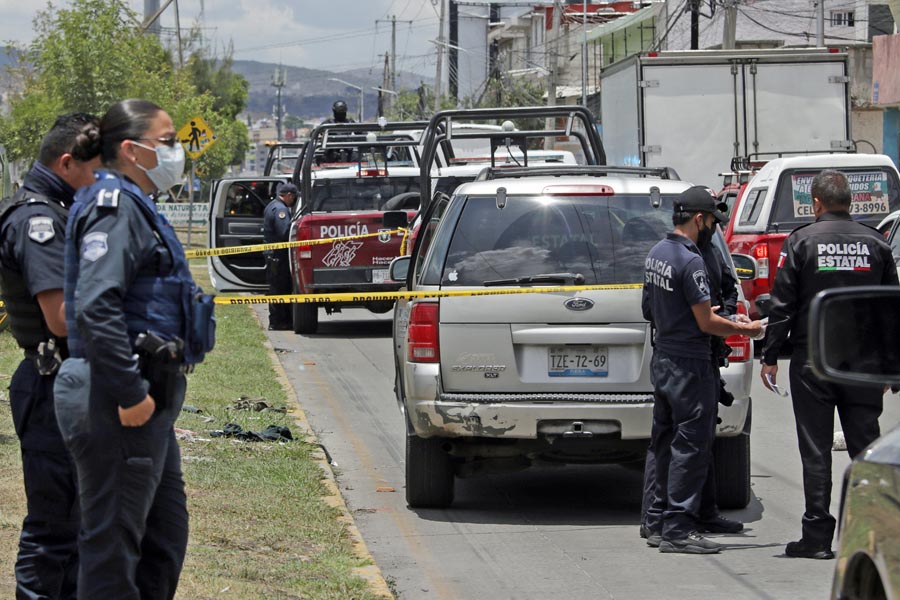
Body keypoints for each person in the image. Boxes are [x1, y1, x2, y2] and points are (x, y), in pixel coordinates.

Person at [55, 98, 215, 599]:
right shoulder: (116, 206)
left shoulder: (137, 204)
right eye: (166, 142)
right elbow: (96, 306)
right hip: (118, 397)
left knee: (162, 538)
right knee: (112, 549)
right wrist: (129, 393)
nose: (176, 150)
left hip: (147, 401)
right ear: (131, 149)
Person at [761, 169, 899, 559]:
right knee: (867, 449)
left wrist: (770, 355)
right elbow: (892, 309)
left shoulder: (802, 241)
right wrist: (893, 365)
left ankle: (817, 539)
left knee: (815, 450)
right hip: (865, 366)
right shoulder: (877, 243)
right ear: (850, 203)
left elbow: (782, 304)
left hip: (813, 364)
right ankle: (876, 531)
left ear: (816, 204)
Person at [0, 112, 101, 600]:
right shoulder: (38, 219)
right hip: (50, 384)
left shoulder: (60, 209)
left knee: (81, 530)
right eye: (95, 170)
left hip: (68, 383)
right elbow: (61, 316)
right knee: (54, 531)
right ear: (66, 163)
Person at [641, 186, 761, 554]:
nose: (713, 227)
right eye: (712, 220)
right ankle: (678, 529)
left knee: (664, 442)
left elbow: (648, 308)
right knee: (690, 447)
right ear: (699, 219)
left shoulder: (657, 253)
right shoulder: (690, 262)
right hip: (690, 364)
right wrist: (745, 328)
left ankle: (658, 520)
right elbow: (707, 322)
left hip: (664, 358)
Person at [262, 182, 298, 330]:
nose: (294, 200)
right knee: (280, 288)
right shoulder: (280, 210)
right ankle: (279, 322)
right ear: (289, 195)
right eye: (294, 197)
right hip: (278, 256)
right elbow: (284, 233)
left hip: (274, 255)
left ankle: (278, 321)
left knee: (276, 288)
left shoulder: (272, 205)